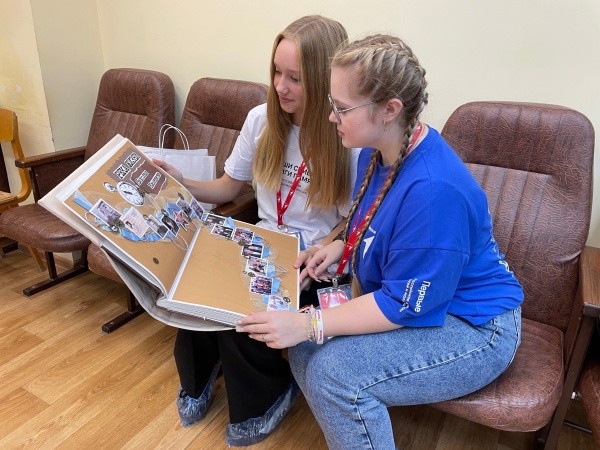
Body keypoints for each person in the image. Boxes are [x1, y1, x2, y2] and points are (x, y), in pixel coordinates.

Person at [235, 34, 524, 449]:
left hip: (476, 327)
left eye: (341, 108)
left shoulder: (433, 191)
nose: (330, 116)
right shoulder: (377, 151)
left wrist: (308, 322)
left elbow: (402, 303)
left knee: (334, 373)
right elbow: (373, 220)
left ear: (390, 110)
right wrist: (339, 247)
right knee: (305, 350)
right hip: (425, 299)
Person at [154, 15, 357, 447]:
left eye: (295, 78)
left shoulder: (345, 136)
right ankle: (198, 377)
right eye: (276, 72)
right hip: (261, 241)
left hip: (310, 260)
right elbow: (229, 187)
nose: (280, 86)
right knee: (195, 293)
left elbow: (352, 221)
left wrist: (323, 247)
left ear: (324, 80)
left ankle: (266, 397)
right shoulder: (260, 119)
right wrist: (182, 181)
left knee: (247, 317)